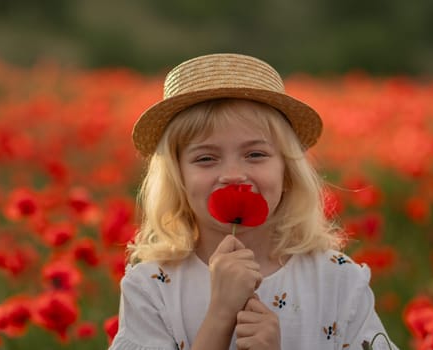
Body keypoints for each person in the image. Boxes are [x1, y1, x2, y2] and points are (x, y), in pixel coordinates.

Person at [109, 53, 397, 350]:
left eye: (255, 155)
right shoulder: (152, 286)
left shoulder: (337, 281)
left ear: (287, 172)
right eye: (206, 158)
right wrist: (219, 316)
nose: (233, 175)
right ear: (178, 178)